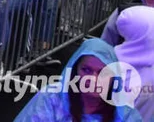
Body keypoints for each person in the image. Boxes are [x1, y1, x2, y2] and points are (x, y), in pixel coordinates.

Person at [14, 38, 143, 122]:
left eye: (102, 73)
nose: (92, 79)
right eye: (86, 70)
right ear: (75, 71)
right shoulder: (52, 98)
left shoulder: (126, 116)